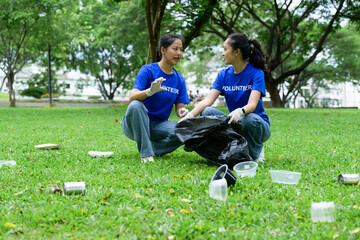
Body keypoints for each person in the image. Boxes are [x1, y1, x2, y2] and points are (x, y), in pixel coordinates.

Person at [180, 33, 270, 162]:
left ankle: (255, 152)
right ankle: (225, 149)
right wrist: (190, 116)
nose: (223, 53)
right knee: (206, 112)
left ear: (237, 52)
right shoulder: (223, 75)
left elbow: (252, 105)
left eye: (225, 49)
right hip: (235, 122)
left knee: (249, 119)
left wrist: (240, 111)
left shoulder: (256, 73)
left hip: (257, 125)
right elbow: (207, 101)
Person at [121, 34, 190, 163]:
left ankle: (154, 149)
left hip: (158, 126)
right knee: (135, 105)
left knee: (185, 131)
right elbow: (132, 97)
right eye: (175, 49)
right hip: (135, 123)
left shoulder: (179, 79)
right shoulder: (147, 70)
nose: (179, 53)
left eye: (181, 50)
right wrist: (149, 91)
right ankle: (146, 154)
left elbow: (180, 108)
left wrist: (183, 112)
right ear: (163, 50)